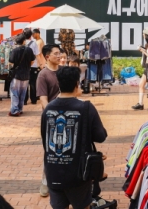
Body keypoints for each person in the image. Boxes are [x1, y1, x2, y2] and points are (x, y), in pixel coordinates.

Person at [41, 67, 107, 209]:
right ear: (77, 83)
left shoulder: (48, 109)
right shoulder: (86, 108)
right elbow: (100, 136)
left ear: (59, 84)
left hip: (53, 171)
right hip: (78, 173)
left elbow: (44, 138)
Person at [37, 44, 63, 198]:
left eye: (60, 53)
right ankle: (45, 181)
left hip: (67, 118)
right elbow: (43, 100)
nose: (59, 56)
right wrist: (52, 115)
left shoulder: (63, 72)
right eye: (56, 54)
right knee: (51, 151)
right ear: (47, 56)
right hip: (51, 119)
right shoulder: (43, 75)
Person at [7, 34, 35, 117]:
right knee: (23, 93)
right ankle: (20, 109)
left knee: (14, 93)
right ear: (23, 41)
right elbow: (32, 61)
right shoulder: (29, 50)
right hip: (26, 74)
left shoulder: (14, 50)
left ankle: (15, 110)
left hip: (16, 75)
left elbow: (11, 63)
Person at [23, 28, 43, 105]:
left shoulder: (22, 43)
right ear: (30, 35)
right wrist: (40, 64)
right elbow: (37, 55)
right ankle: (33, 100)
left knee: (25, 83)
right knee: (33, 83)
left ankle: (24, 100)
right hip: (33, 65)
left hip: (24, 66)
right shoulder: (34, 43)